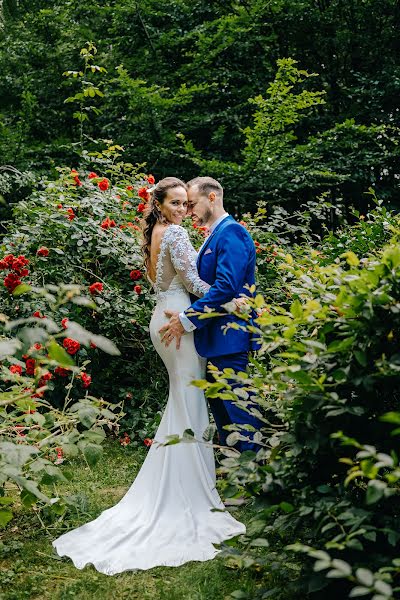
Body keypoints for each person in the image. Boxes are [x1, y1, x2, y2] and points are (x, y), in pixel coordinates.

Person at [52, 177, 245, 575]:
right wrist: (232, 298)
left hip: (162, 316)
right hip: (179, 321)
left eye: (184, 203)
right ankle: (192, 491)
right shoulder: (174, 233)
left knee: (183, 397)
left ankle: (186, 481)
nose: (182, 210)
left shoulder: (156, 233)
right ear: (159, 205)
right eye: (175, 203)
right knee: (190, 397)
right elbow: (194, 282)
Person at [159, 176, 263, 453]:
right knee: (225, 418)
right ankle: (238, 482)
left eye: (192, 203)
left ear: (212, 198)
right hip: (215, 339)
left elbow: (226, 286)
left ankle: (258, 482)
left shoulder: (232, 232)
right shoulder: (214, 235)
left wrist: (185, 318)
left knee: (241, 414)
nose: (189, 210)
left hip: (229, 338)